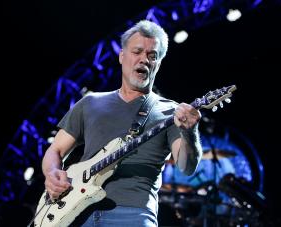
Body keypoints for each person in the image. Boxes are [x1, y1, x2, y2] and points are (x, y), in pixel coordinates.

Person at [41, 20, 203, 227]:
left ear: (158, 63)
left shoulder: (171, 112)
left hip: (133, 214)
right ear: (122, 56)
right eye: (137, 51)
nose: (144, 59)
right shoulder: (90, 102)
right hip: (77, 211)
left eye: (152, 56)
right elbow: (55, 150)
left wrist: (190, 132)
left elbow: (187, 167)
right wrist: (53, 173)